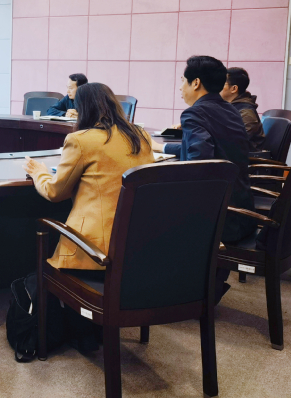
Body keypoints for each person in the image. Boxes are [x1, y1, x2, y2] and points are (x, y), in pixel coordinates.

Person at [149, 56, 256, 302]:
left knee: (143, 209)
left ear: (195, 83)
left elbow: (200, 166)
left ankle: (173, 293)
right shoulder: (230, 110)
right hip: (240, 207)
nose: (180, 87)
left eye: (182, 81)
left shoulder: (194, 113)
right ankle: (203, 285)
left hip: (219, 218)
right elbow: (209, 148)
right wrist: (162, 149)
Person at [25, 83, 155, 270]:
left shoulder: (81, 140)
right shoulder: (141, 136)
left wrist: (39, 173)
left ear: (82, 108)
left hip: (94, 255)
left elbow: (55, 192)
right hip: (137, 250)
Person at [220, 67, 266, 151]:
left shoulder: (246, 112)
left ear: (234, 89)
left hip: (245, 157)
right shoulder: (229, 107)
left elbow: (237, 141)